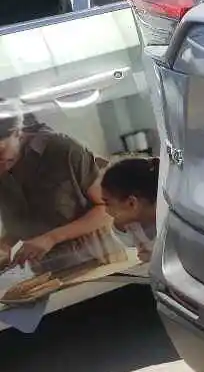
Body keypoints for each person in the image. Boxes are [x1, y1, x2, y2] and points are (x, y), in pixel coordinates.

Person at [0, 115, 121, 273]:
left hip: (97, 264)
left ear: (17, 133)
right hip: (47, 273)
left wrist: (51, 238)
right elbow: (23, 218)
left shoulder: (62, 150)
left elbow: (108, 208)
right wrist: (5, 244)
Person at [93, 155, 160, 263]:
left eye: (107, 203)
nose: (105, 210)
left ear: (131, 203)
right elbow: (127, 241)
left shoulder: (176, 221)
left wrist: (157, 259)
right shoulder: (131, 225)